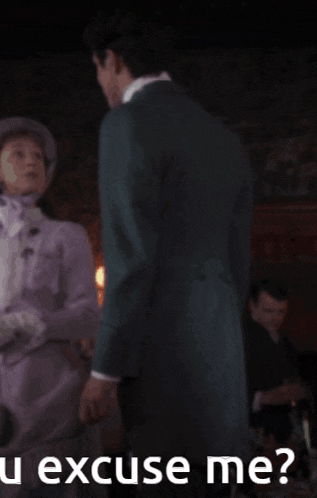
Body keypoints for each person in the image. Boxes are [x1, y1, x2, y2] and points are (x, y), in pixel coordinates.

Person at [79, 9, 253, 497]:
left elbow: (130, 260)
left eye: (97, 70)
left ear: (111, 60)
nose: (100, 83)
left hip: (161, 364)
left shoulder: (126, 123)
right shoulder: (223, 136)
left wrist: (104, 371)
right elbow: (238, 262)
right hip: (223, 366)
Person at [0, 117, 105, 498]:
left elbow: (87, 315)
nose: (32, 161)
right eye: (18, 154)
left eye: (38, 157)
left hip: (47, 393)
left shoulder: (67, 236)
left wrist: (30, 322)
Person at [245, 279, 312, 454]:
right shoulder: (239, 339)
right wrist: (263, 397)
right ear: (252, 306)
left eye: (281, 312)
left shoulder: (284, 341)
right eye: (269, 311)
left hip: (284, 429)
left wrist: (300, 390)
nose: (276, 318)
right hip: (252, 431)